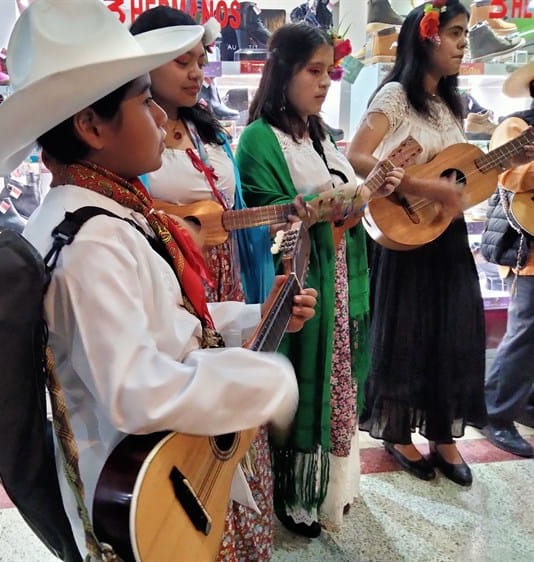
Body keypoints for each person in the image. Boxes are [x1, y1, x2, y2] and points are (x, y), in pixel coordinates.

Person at [0, 1, 317, 559]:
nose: (162, 119)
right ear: (91, 125)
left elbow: (162, 325)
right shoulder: (93, 242)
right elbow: (136, 390)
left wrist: (252, 316)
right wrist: (268, 378)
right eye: (143, 102)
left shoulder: (104, 214)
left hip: (148, 477)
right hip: (135, 494)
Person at [235, 23, 404, 537]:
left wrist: (371, 190)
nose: (326, 82)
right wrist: (332, 206)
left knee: (340, 389)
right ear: (282, 72)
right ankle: (294, 494)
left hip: (341, 281)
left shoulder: (322, 135)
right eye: (313, 71)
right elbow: (275, 221)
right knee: (298, 394)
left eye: (329, 71)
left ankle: (334, 488)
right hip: (300, 286)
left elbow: (342, 218)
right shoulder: (259, 141)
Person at [129, 7, 278, 559]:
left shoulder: (203, 126)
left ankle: (244, 540)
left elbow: (228, 210)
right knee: (192, 411)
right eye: (181, 61)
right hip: (172, 279)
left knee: (236, 404)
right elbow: (133, 206)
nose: (196, 73)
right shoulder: (129, 133)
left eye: (200, 60)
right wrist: (183, 223)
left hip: (225, 276)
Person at [346, 0, 487, 487]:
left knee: (451, 332)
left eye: (464, 34)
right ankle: (398, 431)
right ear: (425, 38)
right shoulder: (394, 98)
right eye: (454, 33)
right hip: (404, 232)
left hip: (447, 235)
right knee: (404, 333)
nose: (462, 43)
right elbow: (358, 156)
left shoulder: (453, 104)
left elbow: (460, 170)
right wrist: (422, 188)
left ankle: (443, 436)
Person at [478, 60, 534, 458]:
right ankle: (494, 410)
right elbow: (509, 177)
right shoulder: (515, 127)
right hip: (526, 251)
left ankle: (525, 403)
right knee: (525, 330)